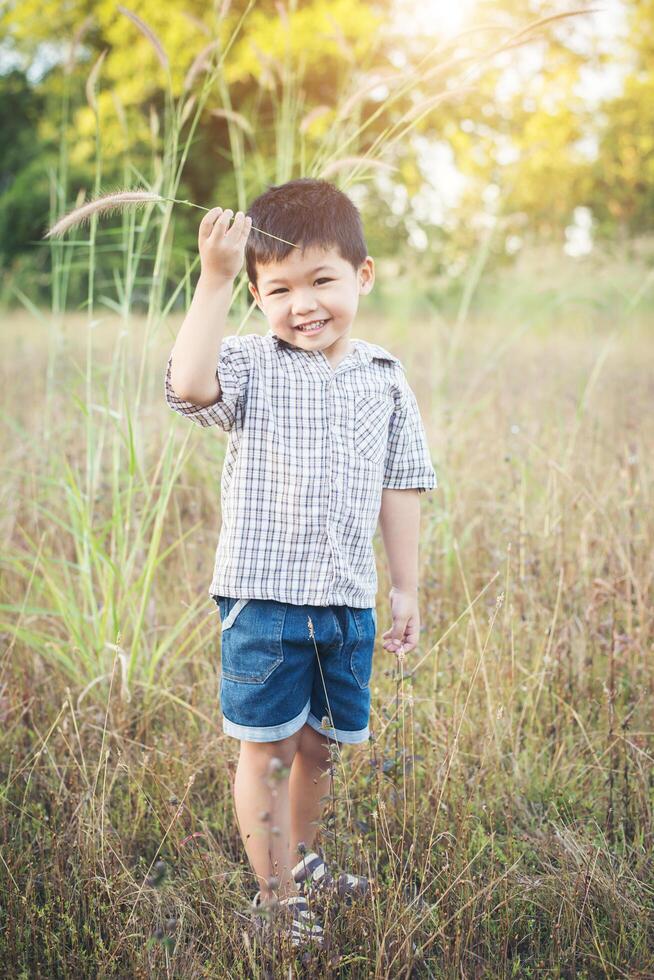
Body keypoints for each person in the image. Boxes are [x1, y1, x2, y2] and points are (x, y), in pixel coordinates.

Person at [165, 178, 437, 948]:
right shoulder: (251, 363)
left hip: (348, 602)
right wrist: (215, 277)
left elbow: (402, 483)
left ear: (364, 275)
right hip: (265, 601)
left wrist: (406, 588)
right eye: (278, 289)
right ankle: (275, 893)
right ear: (255, 297)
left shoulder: (385, 376)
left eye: (322, 280)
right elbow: (188, 386)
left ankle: (303, 857)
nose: (303, 304)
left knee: (320, 745)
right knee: (269, 748)